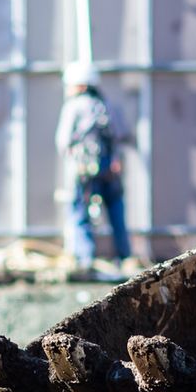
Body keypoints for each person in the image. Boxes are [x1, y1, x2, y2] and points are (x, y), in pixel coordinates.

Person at [56, 61, 135, 274]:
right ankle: (125, 257)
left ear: (80, 85)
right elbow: (122, 135)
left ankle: (84, 259)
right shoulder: (107, 105)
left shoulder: (73, 107)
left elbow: (63, 141)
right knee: (115, 209)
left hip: (82, 171)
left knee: (79, 211)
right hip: (110, 169)